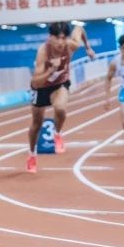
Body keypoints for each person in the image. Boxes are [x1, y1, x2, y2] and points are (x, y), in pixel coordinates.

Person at [26, 22, 82, 172]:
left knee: (60, 108)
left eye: (64, 38)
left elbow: (79, 29)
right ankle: (32, 154)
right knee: (36, 124)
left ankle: (57, 134)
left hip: (59, 84)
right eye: (57, 38)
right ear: (50, 37)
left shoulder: (71, 46)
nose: (60, 42)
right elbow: (35, 81)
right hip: (40, 88)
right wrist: (51, 70)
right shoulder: (43, 52)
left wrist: (88, 47)